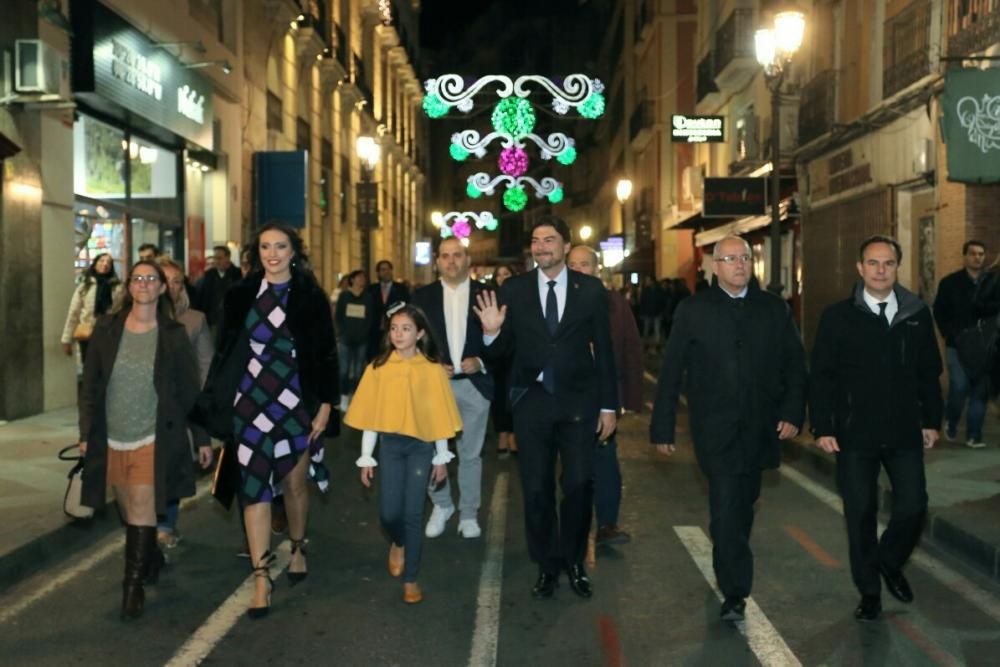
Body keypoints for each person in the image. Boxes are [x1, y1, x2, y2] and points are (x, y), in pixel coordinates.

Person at [650, 235, 807, 622]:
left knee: (742, 504)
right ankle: (735, 591)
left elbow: (794, 365)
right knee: (725, 507)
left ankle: (729, 543)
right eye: (730, 258)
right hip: (714, 429)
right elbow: (671, 372)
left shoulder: (773, 309)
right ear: (714, 266)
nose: (739, 264)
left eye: (745, 258)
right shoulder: (693, 310)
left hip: (760, 427)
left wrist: (792, 412)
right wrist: (663, 427)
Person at [196, 222, 338, 618]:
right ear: (256, 253)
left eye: (280, 246)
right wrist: (216, 404)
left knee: (294, 485)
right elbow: (225, 350)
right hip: (250, 401)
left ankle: (296, 545)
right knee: (253, 486)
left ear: (294, 251)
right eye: (265, 247)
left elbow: (326, 353)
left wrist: (326, 402)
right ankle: (261, 576)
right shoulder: (241, 295)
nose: (272, 253)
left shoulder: (310, 296)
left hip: (296, 401)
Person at [475, 216, 618, 600]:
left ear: (566, 246)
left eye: (550, 240)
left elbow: (604, 350)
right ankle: (547, 564)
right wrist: (491, 332)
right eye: (536, 241)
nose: (541, 247)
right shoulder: (515, 290)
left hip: (579, 403)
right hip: (532, 402)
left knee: (577, 485)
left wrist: (608, 406)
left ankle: (573, 560)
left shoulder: (590, 290)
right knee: (536, 490)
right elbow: (501, 352)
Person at [810, 235, 942, 622]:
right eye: (873, 263)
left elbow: (928, 373)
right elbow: (822, 377)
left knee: (914, 505)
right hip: (854, 435)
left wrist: (931, 420)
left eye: (887, 263)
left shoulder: (916, 313)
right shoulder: (837, 317)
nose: (880, 270)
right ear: (859, 268)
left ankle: (888, 561)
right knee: (860, 514)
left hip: (904, 431)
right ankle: (869, 593)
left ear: (897, 267)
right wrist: (823, 425)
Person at [78, 260, 208, 619]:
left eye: (152, 279)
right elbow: (89, 387)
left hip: (154, 436)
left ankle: (131, 587)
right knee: (129, 510)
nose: (145, 284)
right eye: (138, 279)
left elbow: (189, 389)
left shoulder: (172, 334)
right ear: (129, 286)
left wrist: (202, 436)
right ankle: (149, 557)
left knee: (139, 506)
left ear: (163, 288)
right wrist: (86, 432)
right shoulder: (106, 329)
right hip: (113, 437)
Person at [346, 303, 462, 604]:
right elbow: (371, 416)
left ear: (420, 333)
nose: (399, 334)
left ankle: (411, 578)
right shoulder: (378, 367)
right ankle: (397, 542)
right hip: (391, 446)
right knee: (388, 513)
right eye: (394, 328)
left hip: (421, 447)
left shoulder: (432, 369)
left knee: (413, 513)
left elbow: (438, 415)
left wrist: (441, 456)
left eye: (406, 328)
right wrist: (366, 457)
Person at [413, 238, 493, 540]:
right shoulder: (421, 297)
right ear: (437, 261)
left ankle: (469, 513)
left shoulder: (487, 295)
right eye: (445, 256)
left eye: (456, 255)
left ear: (467, 259)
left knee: (470, 455)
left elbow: (504, 341)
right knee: (432, 451)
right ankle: (442, 505)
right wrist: (431, 365)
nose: (451, 261)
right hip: (435, 386)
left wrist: (481, 361)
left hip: (474, 387)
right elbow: (409, 341)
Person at [567, 246, 642, 547]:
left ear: (597, 270)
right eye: (572, 265)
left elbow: (631, 348)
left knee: (606, 460)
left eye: (584, 265)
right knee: (572, 466)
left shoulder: (615, 304)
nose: (578, 270)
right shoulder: (555, 301)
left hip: (603, 398)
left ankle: (607, 524)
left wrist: (630, 398)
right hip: (566, 397)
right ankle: (573, 525)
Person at [156, 259, 215, 549]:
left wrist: (200, 410)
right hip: (145, 410)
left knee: (174, 467)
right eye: (165, 279)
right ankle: (150, 527)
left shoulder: (194, 320)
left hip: (180, 411)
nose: (171, 286)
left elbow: (205, 367)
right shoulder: (134, 318)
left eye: (177, 281)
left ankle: (165, 525)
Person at [933, 240, 987, 448]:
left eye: (981, 254)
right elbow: (939, 310)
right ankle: (952, 418)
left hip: (984, 347)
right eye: (973, 253)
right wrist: (949, 333)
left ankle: (974, 435)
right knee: (960, 386)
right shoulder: (950, 283)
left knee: (980, 390)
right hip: (957, 345)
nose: (977, 257)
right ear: (965, 256)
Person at [62, 253, 124, 365]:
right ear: (95, 264)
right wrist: (67, 339)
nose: (105, 264)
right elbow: (74, 313)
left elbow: (121, 311)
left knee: (108, 369)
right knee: (89, 368)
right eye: (102, 261)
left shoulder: (118, 287)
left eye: (109, 262)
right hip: (87, 335)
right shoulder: (85, 286)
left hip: (109, 335)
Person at [336, 270, 375, 411]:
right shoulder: (344, 296)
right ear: (352, 280)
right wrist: (341, 332)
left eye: (363, 277)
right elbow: (339, 316)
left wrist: (365, 333)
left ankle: (356, 398)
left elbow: (370, 318)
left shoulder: (368, 297)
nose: (361, 280)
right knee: (344, 370)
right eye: (358, 278)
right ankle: (344, 397)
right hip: (345, 339)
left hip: (362, 340)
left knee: (359, 371)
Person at [490, 265, 518, 457]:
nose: (502, 278)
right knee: (499, 395)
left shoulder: (521, 297)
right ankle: (502, 434)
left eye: (506, 274)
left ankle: (514, 435)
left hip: (516, 354)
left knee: (515, 395)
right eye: (498, 275)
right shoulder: (490, 298)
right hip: (496, 356)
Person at [367, 259, 410, 359]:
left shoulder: (401, 289)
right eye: (383, 270)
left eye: (388, 269)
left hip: (393, 327)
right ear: (378, 273)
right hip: (374, 329)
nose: (386, 272)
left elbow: (406, 306)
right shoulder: (371, 289)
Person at [196, 245, 242, 331]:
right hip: (212, 321)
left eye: (219, 258)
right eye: (215, 258)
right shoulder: (209, 275)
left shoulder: (238, 275)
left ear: (228, 258)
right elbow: (202, 298)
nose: (217, 261)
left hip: (232, 321)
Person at [638, 275, 665, 345]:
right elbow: (642, 302)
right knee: (646, 330)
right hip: (648, 312)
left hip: (657, 312)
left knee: (656, 330)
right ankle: (646, 345)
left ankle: (656, 345)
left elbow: (662, 301)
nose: (646, 282)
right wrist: (642, 313)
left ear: (652, 281)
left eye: (648, 280)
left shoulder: (659, 290)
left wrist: (661, 311)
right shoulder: (645, 291)